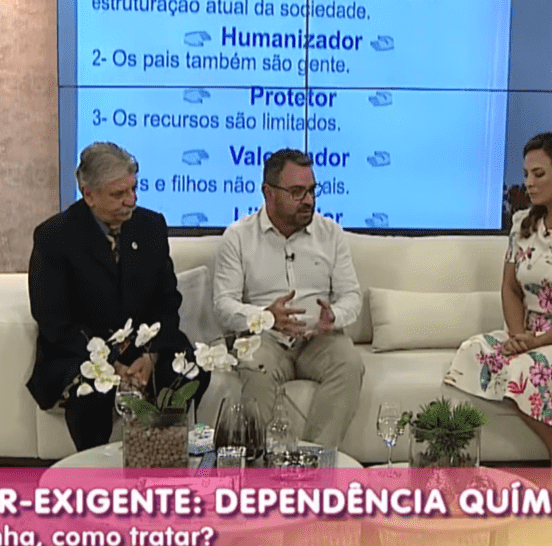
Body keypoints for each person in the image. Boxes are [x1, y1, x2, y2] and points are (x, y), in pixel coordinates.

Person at [443, 132, 552, 467]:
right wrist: (517, 335)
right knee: (473, 351)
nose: (529, 183)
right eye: (526, 174)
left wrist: (537, 342)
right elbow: (510, 287)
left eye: (539, 174)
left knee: (522, 371)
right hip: (530, 336)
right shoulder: (522, 224)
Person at [26, 142, 210, 450]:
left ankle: (161, 453)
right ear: (88, 194)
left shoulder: (150, 226)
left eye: (133, 189)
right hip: (82, 351)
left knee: (188, 372)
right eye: (118, 194)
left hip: (145, 346)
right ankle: (97, 469)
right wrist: (111, 364)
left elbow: (167, 301)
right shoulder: (54, 237)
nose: (131, 200)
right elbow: (53, 319)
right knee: (92, 393)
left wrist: (150, 356)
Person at [213, 149, 364, 447]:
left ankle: (316, 460)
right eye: (297, 192)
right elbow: (224, 304)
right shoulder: (238, 237)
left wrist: (334, 316)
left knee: (349, 364)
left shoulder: (330, 234)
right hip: (266, 339)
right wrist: (265, 317)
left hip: (319, 339)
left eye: (311, 191)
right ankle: (264, 464)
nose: (308, 200)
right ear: (268, 192)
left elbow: (351, 296)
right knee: (255, 365)